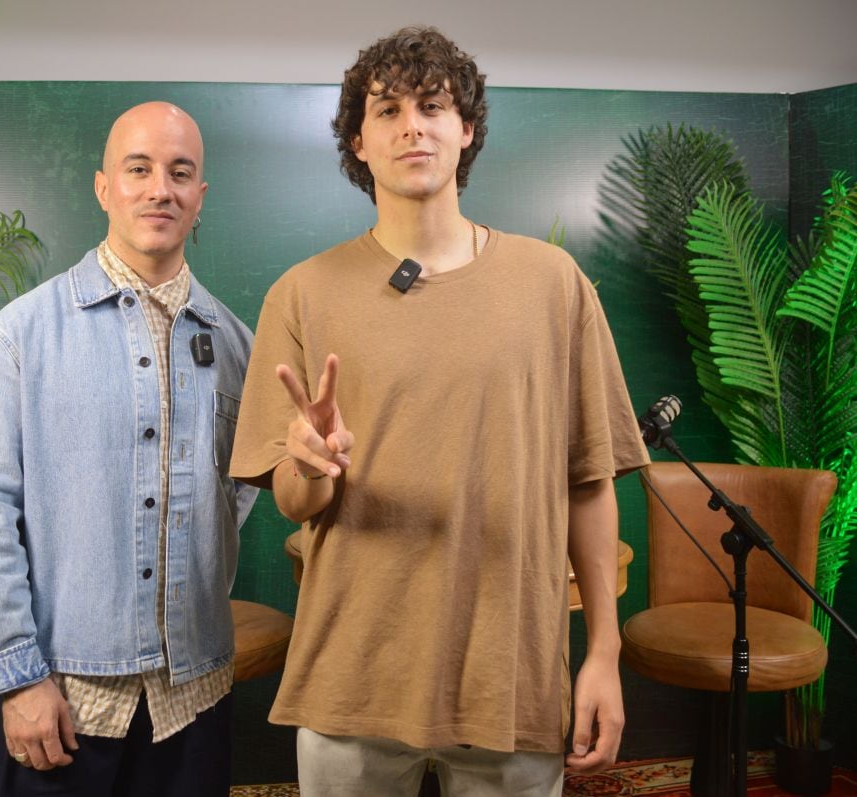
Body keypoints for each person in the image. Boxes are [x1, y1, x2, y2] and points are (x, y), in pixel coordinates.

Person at [229, 27, 649, 796]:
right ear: (358, 139)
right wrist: (310, 462)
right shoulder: (302, 292)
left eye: (432, 106)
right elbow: (293, 501)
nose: (412, 125)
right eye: (387, 110)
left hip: (511, 679)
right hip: (352, 676)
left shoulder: (554, 284)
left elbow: (589, 481)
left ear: (467, 130)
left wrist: (602, 654)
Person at [0, 101, 257, 796]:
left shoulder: (238, 344)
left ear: (199, 196)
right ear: (103, 187)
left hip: (194, 702)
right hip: (60, 702)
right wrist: (20, 675)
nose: (161, 189)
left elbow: (232, 492)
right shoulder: (17, 339)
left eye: (180, 173)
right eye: (140, 168)